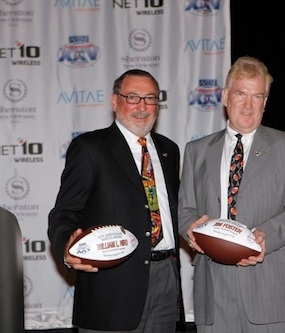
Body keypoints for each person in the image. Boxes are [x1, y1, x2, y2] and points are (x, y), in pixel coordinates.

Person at [178, 56, 285, 333]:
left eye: (257, 96)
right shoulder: (196, 150)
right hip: (213, 293)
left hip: (270, 291)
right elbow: (185, 210)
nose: (248, 105)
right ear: (226, 96)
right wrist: (191, 228)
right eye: (241, 94)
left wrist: (264, 236)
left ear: (265, 102)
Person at [48, 69, 182, 333]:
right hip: (110, 286)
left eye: (151, 98)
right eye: (133, 97)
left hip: (166, 280)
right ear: (114, 101)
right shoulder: (90, 148)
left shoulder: (169, 150)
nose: (142, 107)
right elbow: (64, 212)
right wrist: (67, 247)